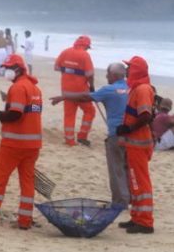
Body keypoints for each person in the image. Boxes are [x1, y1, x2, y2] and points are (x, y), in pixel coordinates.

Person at [50, 63, 130, 206]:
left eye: (108, 73)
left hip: (116, 134)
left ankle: (120, 202)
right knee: (128, 168)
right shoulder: (131, 88)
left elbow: (84, 96)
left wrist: (63, 96)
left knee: (116, 169)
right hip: (133, 134)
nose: (106, 76)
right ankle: (131, 199)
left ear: (115, 75)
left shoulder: (109, 90)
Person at [0, 54, 43, 230]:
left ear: (18, 69)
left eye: (8, 67)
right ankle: (25, 220)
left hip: (13, 144)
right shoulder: (35, 89)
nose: (6, 71)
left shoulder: (18, 88)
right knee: (27, 182)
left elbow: (16, 114)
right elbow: (31, 113)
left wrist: (1, 115)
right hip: (33, 145)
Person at [116, 56, 156, 233]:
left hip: (139, 144)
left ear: (136, 70)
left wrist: (127, 128)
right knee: (135, 183)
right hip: (134, 144)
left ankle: (145, 222)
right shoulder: (136, 88)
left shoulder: (142, 89)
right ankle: (137, 217)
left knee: (140, 183)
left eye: (129, 67)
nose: (126, 70)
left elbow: (145, 116)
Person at [55, 36, 95, 146]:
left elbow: (57, 67)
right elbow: (90, 74)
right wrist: (91, 86)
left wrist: (69, 72)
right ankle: (82, 136)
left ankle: (69, 140)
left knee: (69, 115)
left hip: (66, 91)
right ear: (86, 45)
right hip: (81, 92)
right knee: (90, 111)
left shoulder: (65, 52)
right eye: (87, 47)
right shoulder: (85, 55)